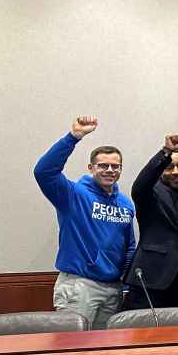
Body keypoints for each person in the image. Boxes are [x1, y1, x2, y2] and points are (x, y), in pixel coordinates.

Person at [33, 116, 135, 328]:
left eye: (115, 166)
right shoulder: (73, 195)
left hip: (113, 287)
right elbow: (43, 172)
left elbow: (129, 246)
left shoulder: (126, 203)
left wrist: (124, 282)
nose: (110, 170)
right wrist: (73, 137)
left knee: (103, 351)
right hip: (80, 285)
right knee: (72, 349)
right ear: (91, 167)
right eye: (103, 165)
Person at [122, 133, 178, 310]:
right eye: (170, 167)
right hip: (149, 279)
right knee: (142, 333)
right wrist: (165, 153)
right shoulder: (150, 193)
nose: (177, 172)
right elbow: (140, 185)